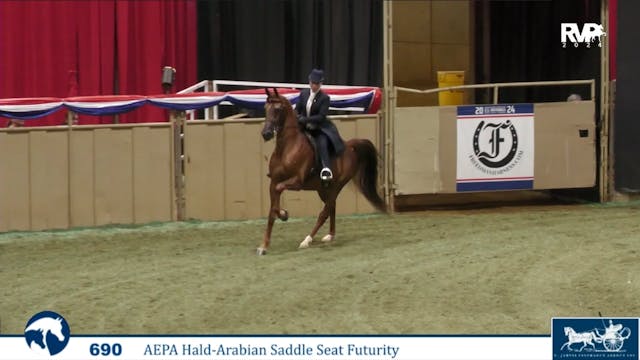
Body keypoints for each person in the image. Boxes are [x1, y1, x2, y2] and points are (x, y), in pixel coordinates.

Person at [295, 69, 345, 181]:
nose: (314, 86)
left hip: (318, 128)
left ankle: (326, 169)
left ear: (320, 84)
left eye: (316, 84)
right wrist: (297, 116)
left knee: (322, 143)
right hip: (303, 126)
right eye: (312, 83)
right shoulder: (303, 94)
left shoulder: (324, 98)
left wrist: (305, 119)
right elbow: (298, 108)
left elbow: (321, 116)